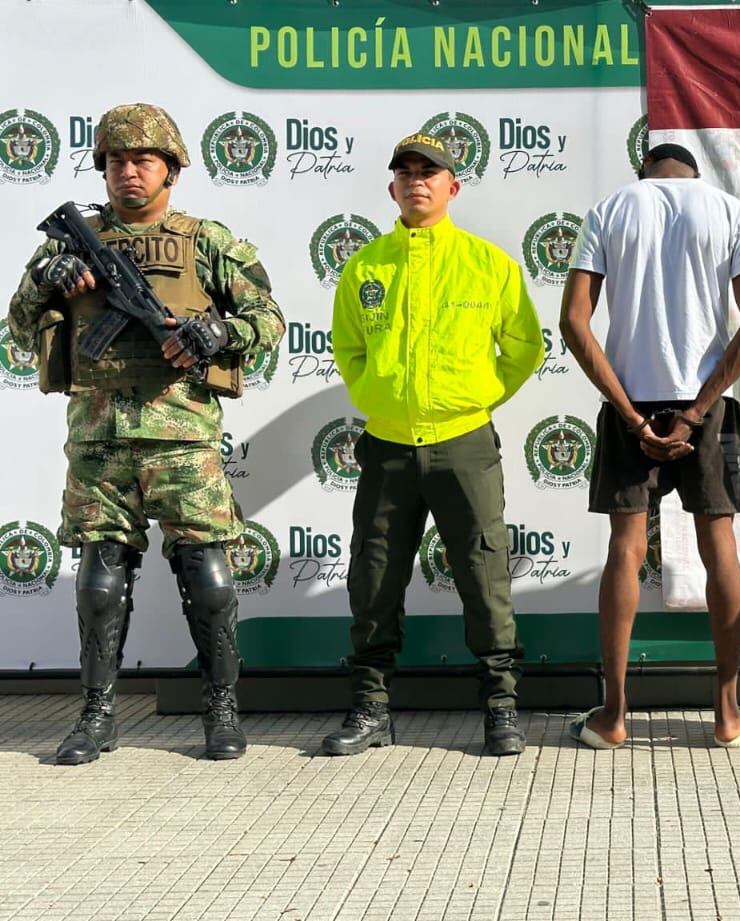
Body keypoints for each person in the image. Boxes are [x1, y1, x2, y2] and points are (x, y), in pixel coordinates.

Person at [7, 103, 284, 764]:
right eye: (116, 161)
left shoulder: (208, 240)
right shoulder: (68, 244)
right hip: (100, 438)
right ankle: (96, 714)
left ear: (171, 170)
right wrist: (46, 284)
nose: (128, 172)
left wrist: (218, 333)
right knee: (100, 581)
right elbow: (20, 328)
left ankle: (221, 710)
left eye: (143, 160)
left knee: (208, 575)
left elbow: (267, 317)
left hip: (183, 437)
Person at [325, 133, 543, 757]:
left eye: (430, 172)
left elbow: (525, 347)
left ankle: (500, 706)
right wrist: (376, 394)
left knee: (483, 571)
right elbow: (349, 350)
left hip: (464, 443)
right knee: (373, 575)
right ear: (391, 187)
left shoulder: (488, 263)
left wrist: (475, 397)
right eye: (405, 172)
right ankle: (370, 707)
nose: (417, 180)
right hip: (388, 445)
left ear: (454, 186)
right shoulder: (365, 266)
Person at [560, 143, 740, 749]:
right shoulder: (730, 211)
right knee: (719, 548)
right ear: (693, 175)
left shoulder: (611, 209)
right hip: (704, 407)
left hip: (631, 403)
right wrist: (699, 411)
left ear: (644, 174)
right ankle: (729, 715)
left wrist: (629, 415)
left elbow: (574, 320)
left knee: (625, 552)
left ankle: (612, 717)